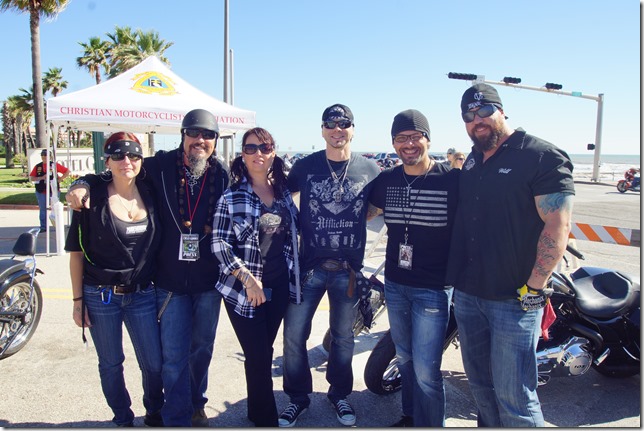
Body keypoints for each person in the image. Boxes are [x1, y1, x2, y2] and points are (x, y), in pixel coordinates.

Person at [65, 109, 229, 427]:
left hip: (208, 282)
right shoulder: (159, 166)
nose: (200, 140)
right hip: (169, 284)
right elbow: (119, 171)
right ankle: (176, 417)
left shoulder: (221, 175)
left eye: (208, 135)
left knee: (201, 350)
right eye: (193, 133)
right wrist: (82, 183)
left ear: (215, 141)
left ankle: (196, 403)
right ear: (182, 135)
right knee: (171, 357)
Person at [446, 83, 575, 427]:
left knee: (515, 396)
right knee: (480, 387)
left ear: (502, 111)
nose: (477, 120)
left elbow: (557, 226)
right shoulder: (473, 160)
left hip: (514, 299)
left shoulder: (541, 156)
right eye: (469, 115)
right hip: (469, 295)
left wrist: (535, 287)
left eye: (484, 110)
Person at [278, 104, 380, 427]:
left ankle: (339, 394)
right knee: (294, 335)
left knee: (343, 337)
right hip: (309, 269)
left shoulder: (370, 168)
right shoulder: (305, 166)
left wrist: (358, 219)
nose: (338, 129)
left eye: (344, 123)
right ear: (322, 130)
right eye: (331, 124)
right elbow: (280, 197)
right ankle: (297, 398)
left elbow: (377, 205)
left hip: (347, 271)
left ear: (353, 129)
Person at [65, 132, 164, 427]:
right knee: (111, 364)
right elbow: (76, 255)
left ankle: (154, 410)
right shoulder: (90, 199)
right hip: (100, 296)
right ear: (107, 161)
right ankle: (122, 417)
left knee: (154, 363)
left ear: (141, 159)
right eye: (118, 155)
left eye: (133, 155)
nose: (126, 161)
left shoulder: (151, 191)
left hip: (142, 294)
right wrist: (77, 301)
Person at [368, 109, 459, 427]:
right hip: (395, 283)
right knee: (404, 358)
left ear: (428, 139)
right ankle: (410, 415)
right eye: (401, 138)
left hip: (433, 288)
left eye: (415, 136)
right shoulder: (387, 181)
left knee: (425, 369)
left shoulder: (451, 179)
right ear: (393, 143)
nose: (408, 144)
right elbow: (364, 211)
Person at [211, 127, 301, 427]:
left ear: (273, 153)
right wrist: (248, 279)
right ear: (242, 155)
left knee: (263, 351)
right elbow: (219, 244)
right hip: (244, 290)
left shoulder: (283, 193)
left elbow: (294, 232)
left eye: (264, 148)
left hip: (279, 285)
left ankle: (255, 410)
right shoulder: (231, 197)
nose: (257, 154)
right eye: (250, 148)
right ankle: (265, 419)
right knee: (259, 354)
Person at [29, 148, 71, 232]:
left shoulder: (54, 165)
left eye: (46, 155)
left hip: (53, 190)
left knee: (55, 208)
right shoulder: (38, 166)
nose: (44, 157)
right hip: (41, 190)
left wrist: (60, 179)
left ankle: (57, 226)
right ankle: (43, 227)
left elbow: (67, 171)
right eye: (42, 155)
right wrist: (41, 177)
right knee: (43, 209)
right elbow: (32, 177)